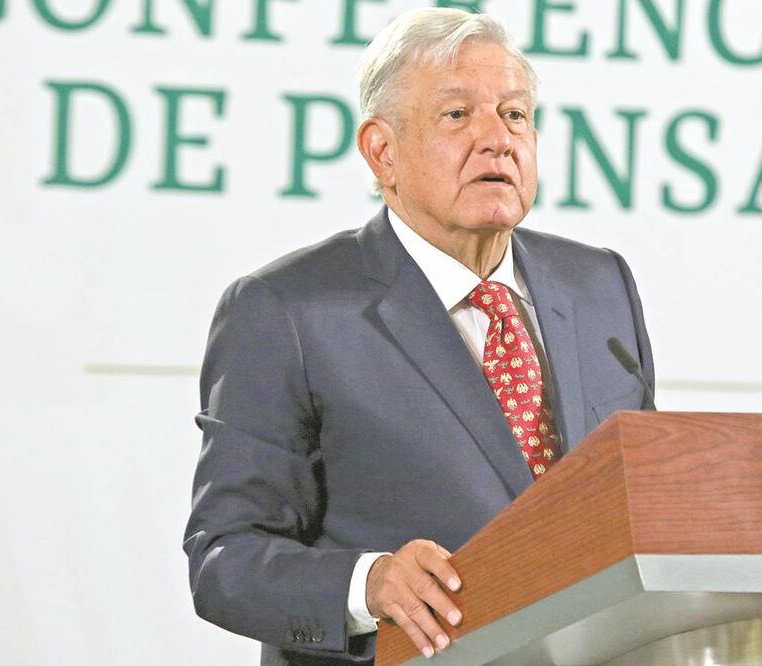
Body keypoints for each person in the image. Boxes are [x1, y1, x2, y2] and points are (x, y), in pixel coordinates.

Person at [183, 8, 654, 665]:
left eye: (514, 114)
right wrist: (368, 583)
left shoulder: (599, 285)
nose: (497, 140)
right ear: (383, 150)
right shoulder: (287, 309)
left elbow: (641, 500)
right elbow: (224, 557)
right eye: (457, 115)